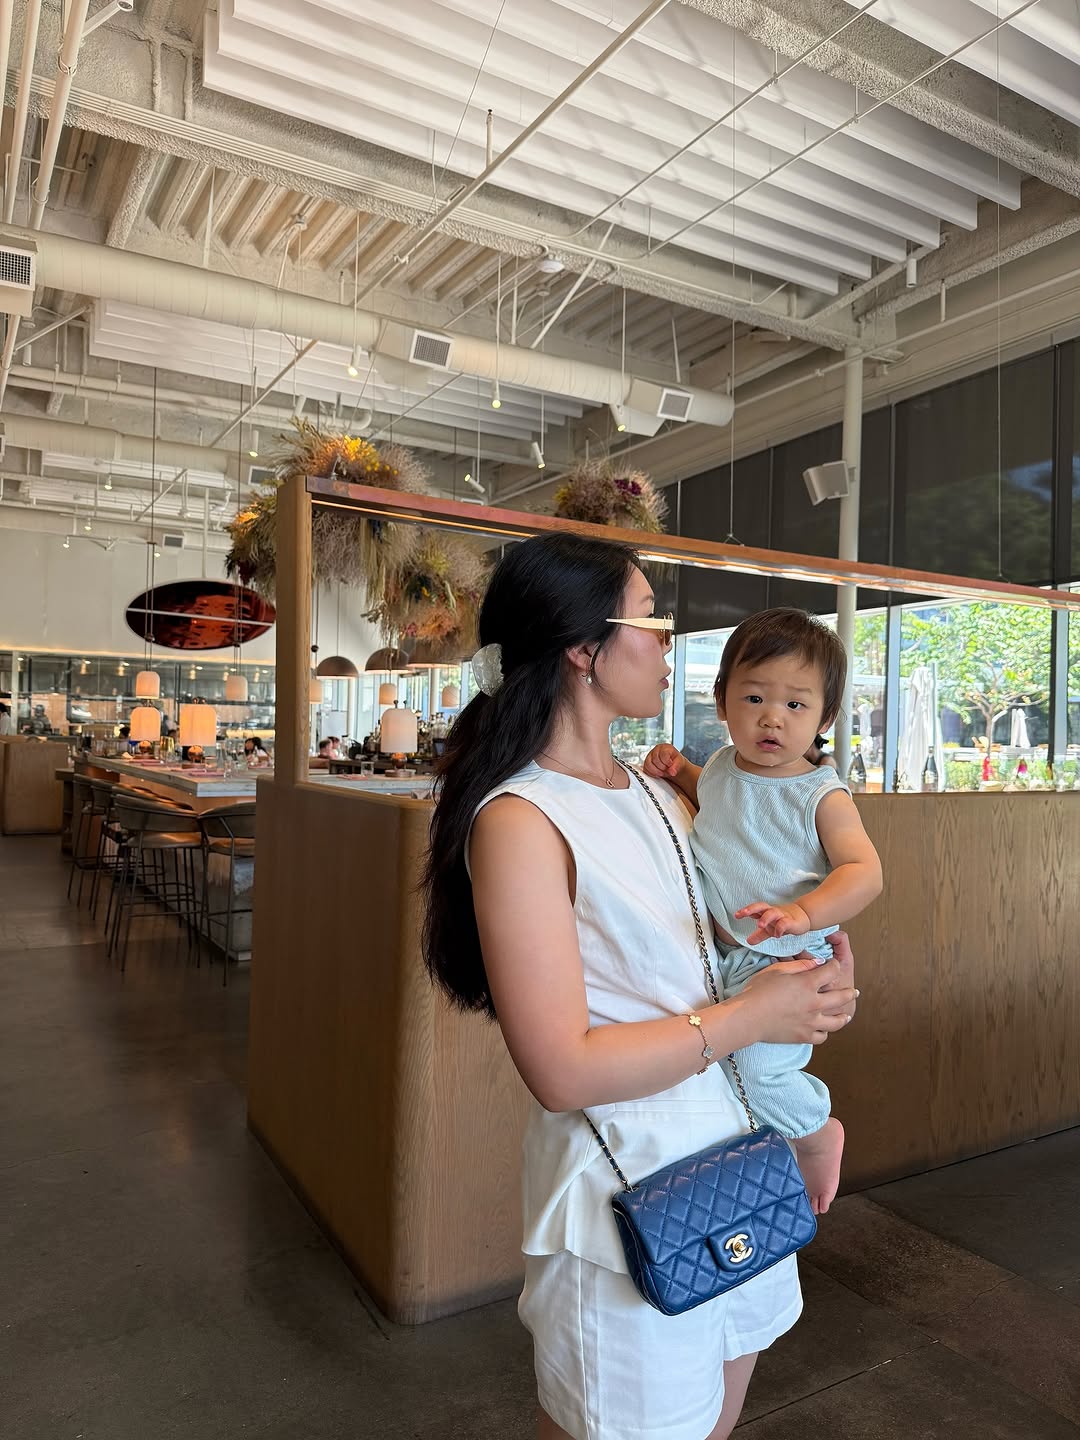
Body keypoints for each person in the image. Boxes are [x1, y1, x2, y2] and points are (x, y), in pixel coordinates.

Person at [422, 536, 857, 1440]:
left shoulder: (661, 794)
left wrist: (807, 980)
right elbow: (562, 1070)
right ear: (585, 649)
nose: (669, 644)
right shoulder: (521, 820)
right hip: (627, 1197)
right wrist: (750, 1016)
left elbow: (709, 946)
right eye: (651, 623)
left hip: (735, 1165)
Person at [644, 609, 881, 1217]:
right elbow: (721, 806)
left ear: (825, 718)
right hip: (726, 951)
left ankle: (814, 1132)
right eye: (754, 698)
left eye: (796, 705)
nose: (773, 717)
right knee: (713, 1067)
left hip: (785, 956)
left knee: (754, 1070)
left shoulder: (820, 794)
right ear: (722, 701)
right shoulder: (723, 767)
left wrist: (803, 912)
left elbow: (864, 871)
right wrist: (680, 773)